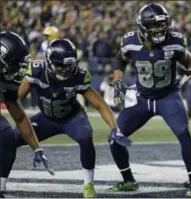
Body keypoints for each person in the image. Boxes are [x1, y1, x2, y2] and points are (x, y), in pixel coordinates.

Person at [0, 39, 131, 198]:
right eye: (60, 65)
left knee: (86, 138)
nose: (65, 70)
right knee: (9, 140)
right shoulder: (36, 72)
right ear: (49, 62)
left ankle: (88, 184)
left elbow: (100, 105)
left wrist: (114, 128)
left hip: (72, 118)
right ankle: (2, 183)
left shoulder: (78, 76)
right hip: (46, 119)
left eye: (69, 65)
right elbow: (15, 100)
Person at [109, 3, 191, 198]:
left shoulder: (175, 41)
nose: (159, 30)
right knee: (114, 138)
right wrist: (117, 80)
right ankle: (128, 181)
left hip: (168, 96)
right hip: (142, 98)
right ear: (143, 27)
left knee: (184, 134)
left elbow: (190, 59)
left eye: (162, 25)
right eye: (154, 26)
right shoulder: (130, 41)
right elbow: (120, 59)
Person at [0, 31, 54, 197]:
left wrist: (37, 148)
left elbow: (20, 116)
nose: (19, 71)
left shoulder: (7, 78)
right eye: (15, 65)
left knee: (6, 137)